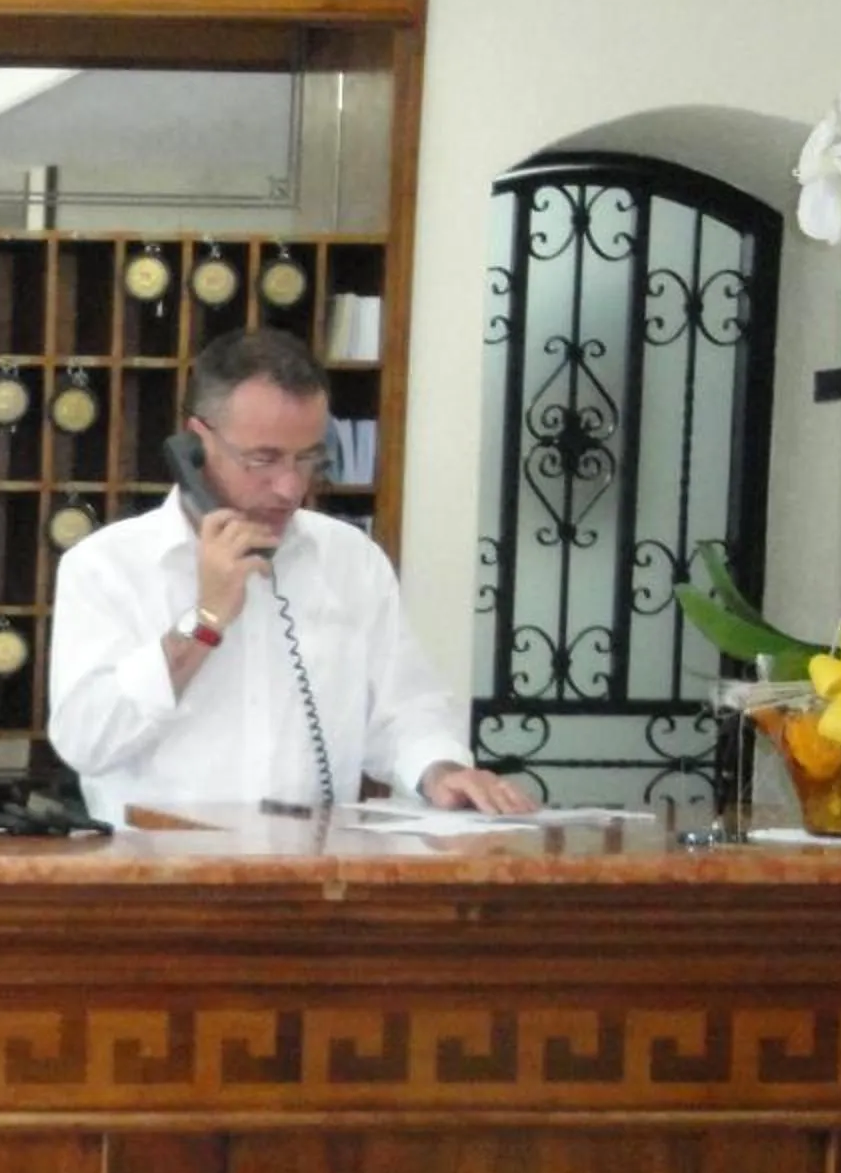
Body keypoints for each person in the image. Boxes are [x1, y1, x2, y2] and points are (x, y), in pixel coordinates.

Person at [46, 326, 534, 823]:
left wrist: (441, 770)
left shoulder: (351, 560)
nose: (290, 487)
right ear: (196, 445)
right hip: (158, 863)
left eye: (308, 458)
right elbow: (87, 741)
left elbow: (405, 709)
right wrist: (205, 620)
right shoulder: (106, 566)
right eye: (263, 459)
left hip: (315, 862)